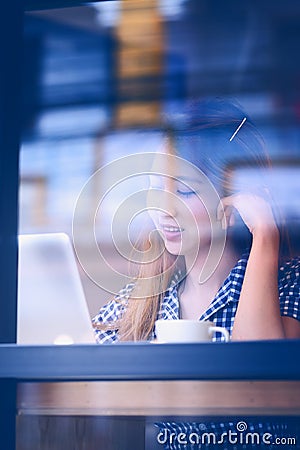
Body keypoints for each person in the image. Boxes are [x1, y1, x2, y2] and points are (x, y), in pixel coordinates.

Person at [92, 98, 300, 344]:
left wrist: (265, 234)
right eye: (157, 188)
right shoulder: (138, 303)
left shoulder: (289, 283)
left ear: (238, 196)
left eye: (184, 191)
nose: (165, 210)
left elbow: (262, 373)